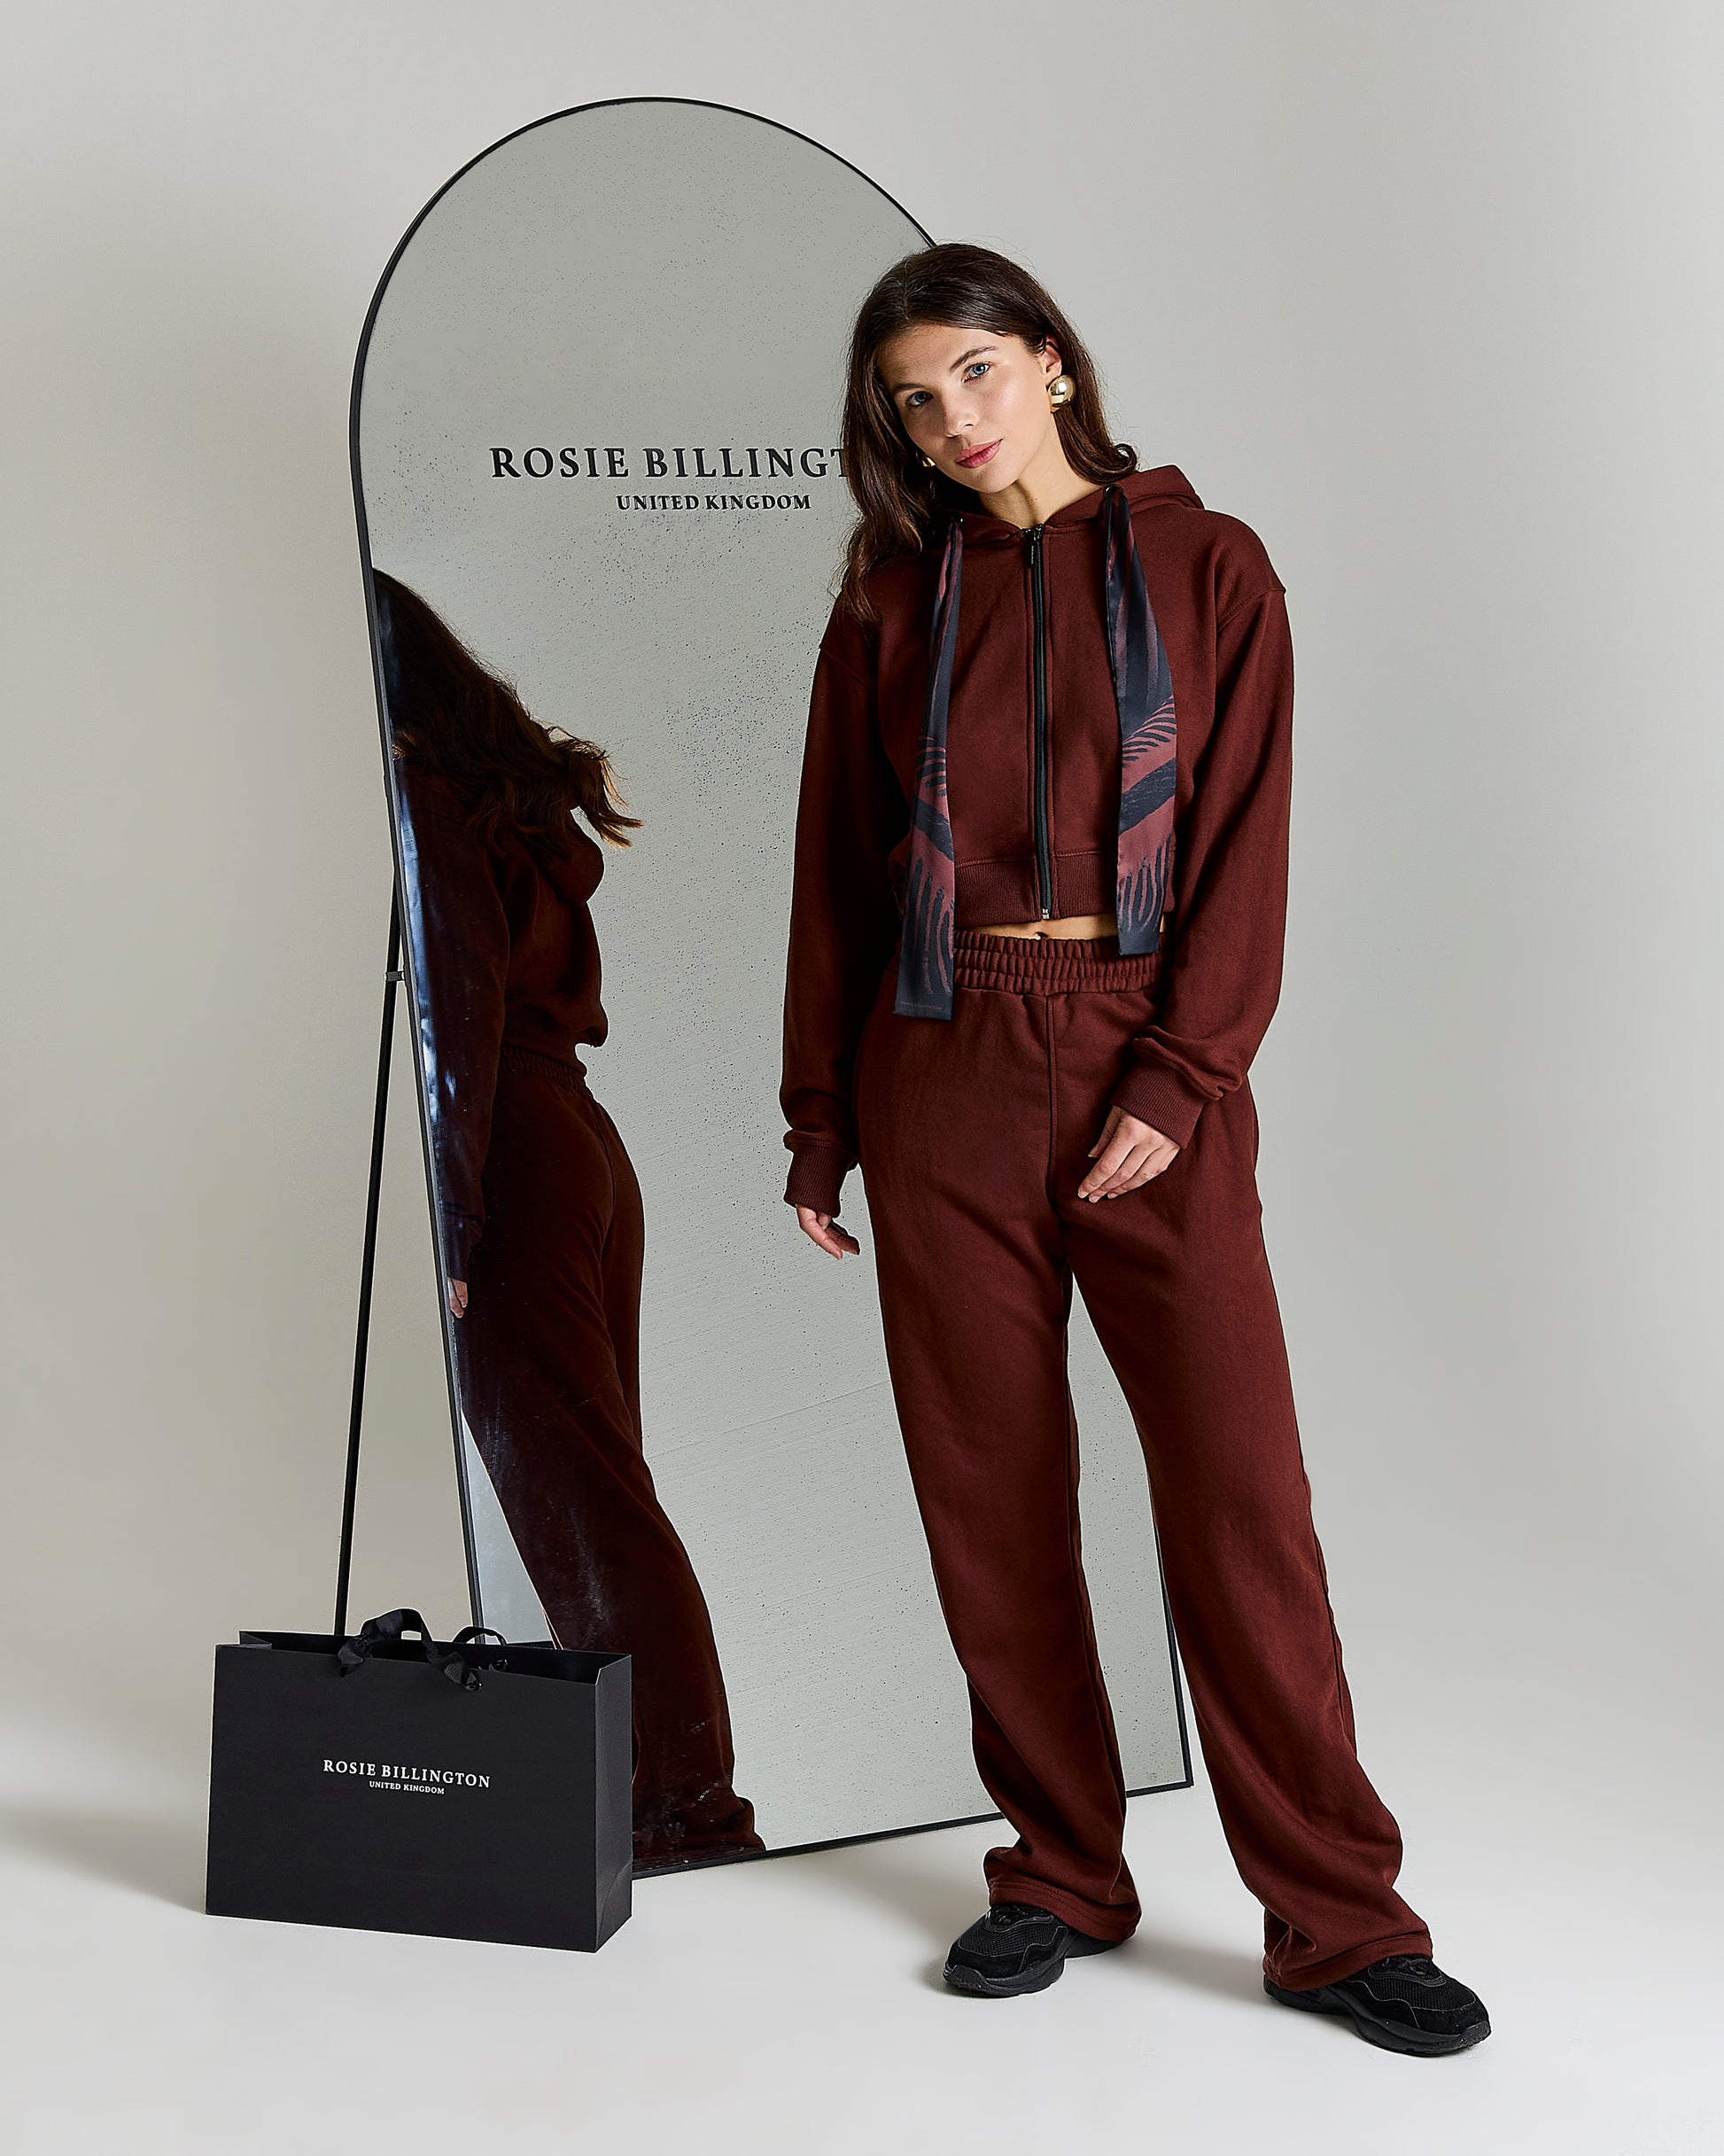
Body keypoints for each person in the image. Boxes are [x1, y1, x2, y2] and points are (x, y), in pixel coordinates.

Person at [779, 245, 1487, 2054]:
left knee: (1240, 1497)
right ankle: (1059, 1871)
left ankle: (1336, 1917)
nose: (949, 421)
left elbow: (1242, 843)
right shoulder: (888, 597)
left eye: (972, 373)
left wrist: (1177, 1081)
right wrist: (818, 1117)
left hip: (1140, 1051)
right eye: (911, 402)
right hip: (936, 1055)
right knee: (989, 1493)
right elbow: (835, 866)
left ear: (1051, 364)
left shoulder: (1208, 565)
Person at [373, 571, 762, 1870]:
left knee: (591, 1505)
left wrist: (450, 1212)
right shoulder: (495, 806)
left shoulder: (425, 800)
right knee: (603, 1492)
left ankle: (684, 1813)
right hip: (575, 1138)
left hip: (511, 1147)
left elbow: (453, 1016)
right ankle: (662, 1799)